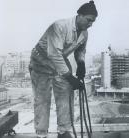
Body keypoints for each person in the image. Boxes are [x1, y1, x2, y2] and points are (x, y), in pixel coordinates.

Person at [29, 1, 97, 138]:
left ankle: (64, 131)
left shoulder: (84, 33)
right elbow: (53, 54)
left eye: (93, 22)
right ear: (80, 15)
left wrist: (81, 62)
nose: (91, 24)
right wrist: (70, 77)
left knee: (66, 94)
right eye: (89, 20)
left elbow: (80, 51)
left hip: (59, 59)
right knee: (43, 99)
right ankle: (41, 133)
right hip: (41, 61)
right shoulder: (59, 26)